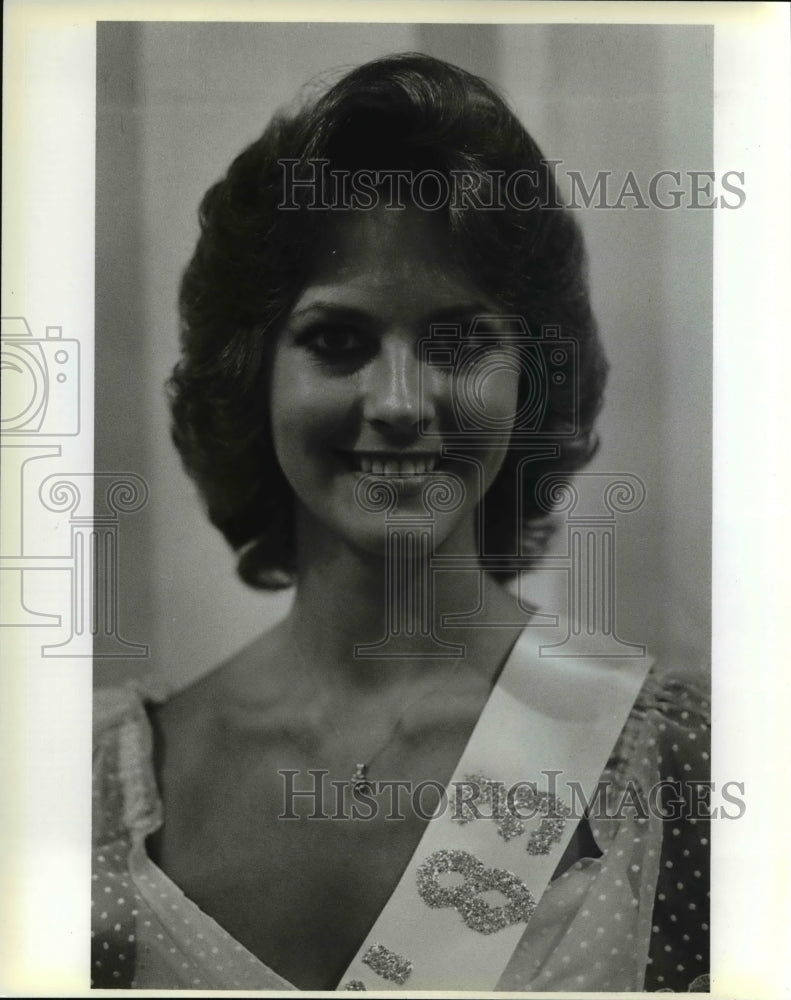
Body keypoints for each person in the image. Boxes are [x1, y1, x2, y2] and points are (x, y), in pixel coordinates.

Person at [92, 53, 710, 992]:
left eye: (458, 342)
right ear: (251, 374)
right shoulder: (91, 794)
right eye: (336, 341)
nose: (398, 401)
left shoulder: (678, 769)